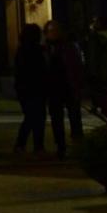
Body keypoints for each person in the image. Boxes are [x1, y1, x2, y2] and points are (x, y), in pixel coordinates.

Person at [43, 20, 85, 158]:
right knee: (57, 119)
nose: (53, 34)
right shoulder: (45, 49)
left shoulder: (69, 47)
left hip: (68, 86)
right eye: (50, 31)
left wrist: (78, 86)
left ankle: (78, 145)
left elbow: (77, 67)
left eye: (55, 31)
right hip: (53, 89)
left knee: (74, 117)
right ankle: (61, 146)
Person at [12, 22, 48, 155]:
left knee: (31, 117)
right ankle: (36, 145)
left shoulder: (22, 51)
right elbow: (41, 70)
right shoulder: (37, 51)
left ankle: (25, 144)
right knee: (37, 117)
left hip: (26, 89)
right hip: (35, 88)